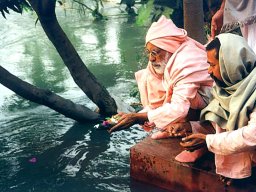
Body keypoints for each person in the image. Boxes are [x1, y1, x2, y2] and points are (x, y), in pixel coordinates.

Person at [108, 15, 213, 137]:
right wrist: (135, 115)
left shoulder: (186, 61)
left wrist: (137, 117)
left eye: (154, 53)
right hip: (192, 105)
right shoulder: (166, 59)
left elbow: (179, 108)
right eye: (148, 52)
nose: (151, 58)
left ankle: (197, 126)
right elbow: (155, 103)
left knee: (182, 99)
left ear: (169, 48)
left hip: (213, 106)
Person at [178, 33, 256, 185]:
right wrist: (190, 127)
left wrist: (208, 141)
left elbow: (251, 136)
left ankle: (245, 169)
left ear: (230, 65)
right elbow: (219, 121)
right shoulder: (224, 87)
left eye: (213, 65)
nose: (208, 71)